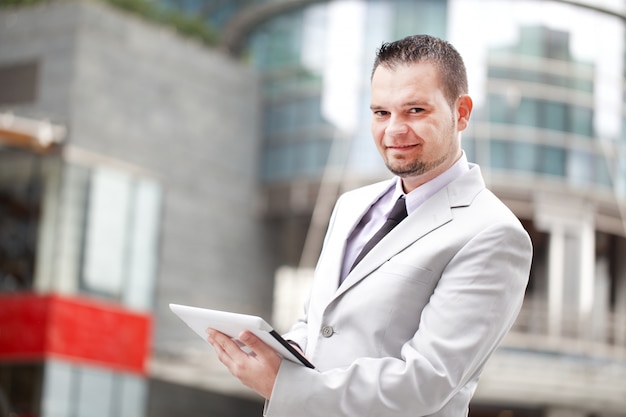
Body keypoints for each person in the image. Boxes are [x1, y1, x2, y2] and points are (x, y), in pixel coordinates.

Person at [207, 34, 533, 417]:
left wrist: (284, 383)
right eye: (381, 112)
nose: (394, 130)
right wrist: (285, 351)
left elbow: (426, 381)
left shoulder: (494, 233)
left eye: (415, 110)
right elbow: (316, 322)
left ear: (461, 112)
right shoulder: (351, 205)